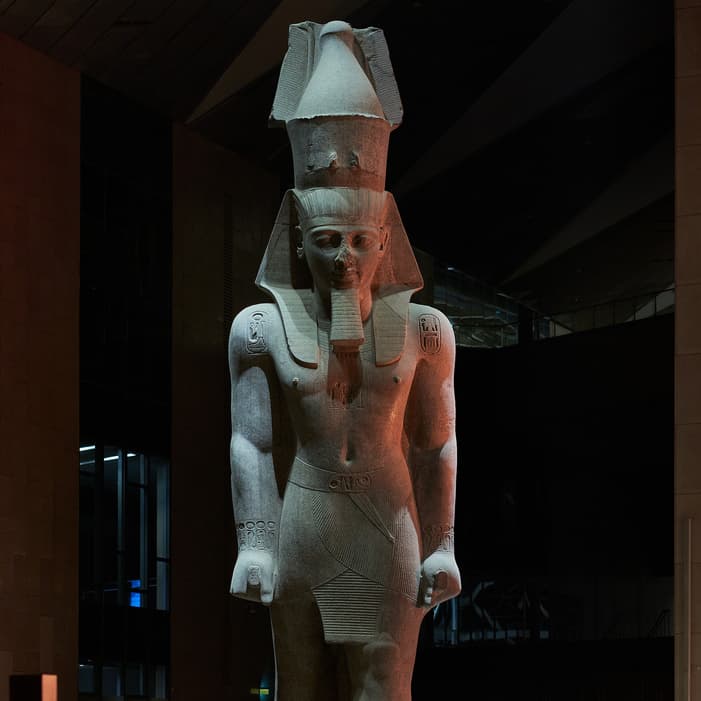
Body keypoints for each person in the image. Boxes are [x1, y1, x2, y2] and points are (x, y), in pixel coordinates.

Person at [228, 19, 461, 700]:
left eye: (360, 241)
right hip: (303, 523)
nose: (344, 259)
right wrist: (255, 541)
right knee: (299, 687)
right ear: (298, 238)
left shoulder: (425, 331)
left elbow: (436, 444)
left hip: (388, 524)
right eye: (327, 240)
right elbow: (251, 441)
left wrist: (443, 544)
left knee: (383, 688)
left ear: (385, 240)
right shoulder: (260, 329)